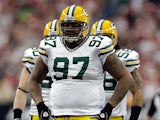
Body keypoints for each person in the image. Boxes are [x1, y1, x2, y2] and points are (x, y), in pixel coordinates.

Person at [28, 5, 133, 120]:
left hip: (90, 115)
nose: (69, 29)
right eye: (66, 25)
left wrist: (109, 108)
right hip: (57, 115)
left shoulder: (97, 46)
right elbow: (33, 80)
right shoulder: (50, 46)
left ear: (85, 27)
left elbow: (125, 78)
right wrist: (40, 105)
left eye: (74, 25)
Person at [91, 19, 143, 120]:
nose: (103, 41)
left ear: (114, 38)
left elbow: (137, 90)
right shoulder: (85, 57)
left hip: (114, 116)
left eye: (106, 37)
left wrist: (133, 118)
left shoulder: (125, 57)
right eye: (99, 37)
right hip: (88, 115)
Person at [13, 19, 60, 120]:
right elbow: (22, 90)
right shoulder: (75, 56)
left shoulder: (33, 55)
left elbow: (22, 90)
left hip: (47, 112)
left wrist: (17, 116)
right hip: (43, 112)